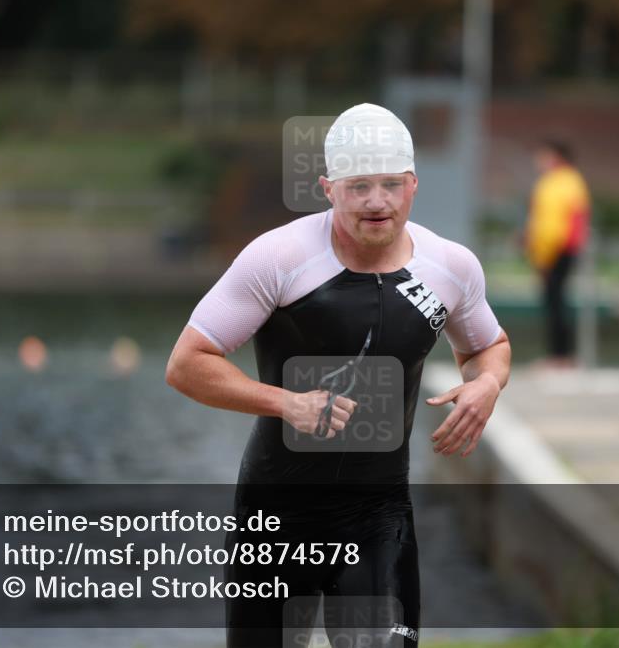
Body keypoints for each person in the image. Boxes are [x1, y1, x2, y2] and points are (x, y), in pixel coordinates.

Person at [166, 103, 511, 647]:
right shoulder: (278, 258)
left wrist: (487, 384)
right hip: (277, 516)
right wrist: (287, 404)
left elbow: (489, 345)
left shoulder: (450, 266)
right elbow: (187, 364)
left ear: (413, 186)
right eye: (359, 187)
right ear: (328, 188)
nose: (377, 202)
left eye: (391, 185)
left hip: (378, 515)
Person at [524, 139, 591, 368]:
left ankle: (562, 357)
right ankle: (561, 355)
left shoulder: (563, 182)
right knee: (554, 302)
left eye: (545, 156)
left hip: (559, 250)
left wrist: (545, 251)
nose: (540, 161)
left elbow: (558, 223)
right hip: (552, 250)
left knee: (556, 302)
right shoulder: (556, 182)